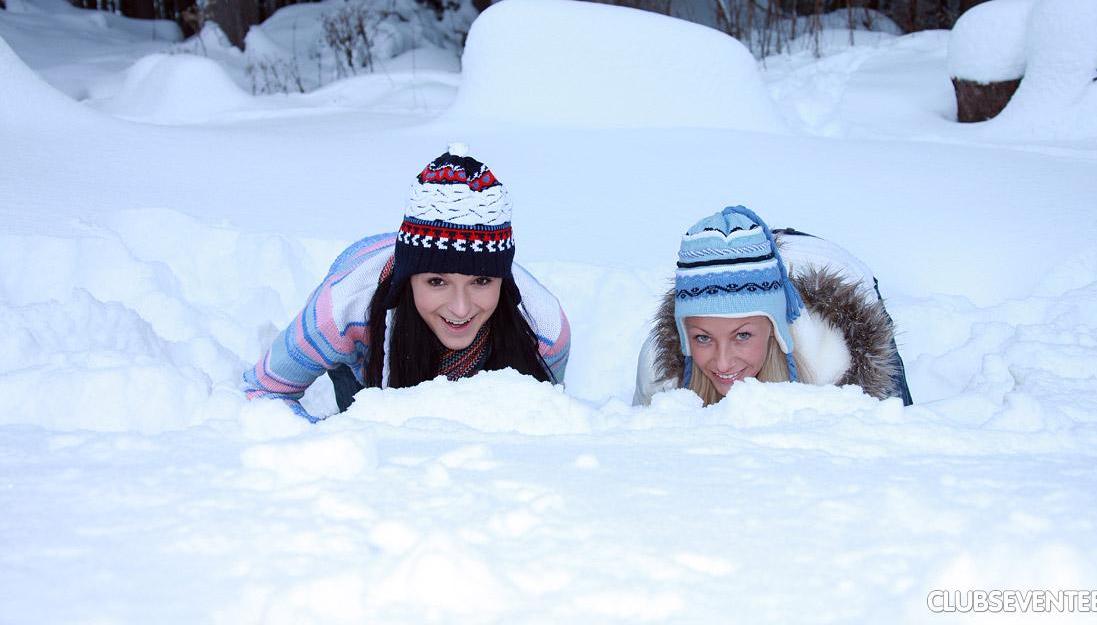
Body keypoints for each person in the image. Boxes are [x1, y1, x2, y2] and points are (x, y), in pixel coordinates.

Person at [244, 145, 571, 421]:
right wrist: (335, 447)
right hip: (367, 349)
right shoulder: (342, 308)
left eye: (481, 280)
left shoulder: (544, 327)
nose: (460, 308)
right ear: (408, 279)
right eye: (437, 281)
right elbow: (262, 392)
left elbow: (544, 417)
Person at [633, 205, 912, 406]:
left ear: (774, 329)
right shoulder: (661, 374)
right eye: (703, 338)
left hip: (839, 280)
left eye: (743, 335)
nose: (723, 362)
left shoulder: (835, 362)